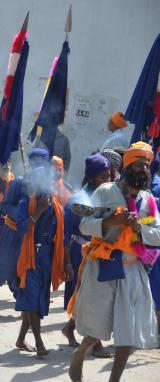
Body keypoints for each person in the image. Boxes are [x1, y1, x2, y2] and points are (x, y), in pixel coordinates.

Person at [68, 142, 159, 382]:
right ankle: (79, 354)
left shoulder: (149, 201)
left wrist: (139, 228)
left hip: (132, 271)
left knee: (128, 334)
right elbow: (84, 225)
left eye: (147, 165)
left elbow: (158, 234)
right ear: (128, 166)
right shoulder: (106, 191)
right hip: (104, 266)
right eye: (139, 164)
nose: (144, 169)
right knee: (97, 327)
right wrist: (111, 222)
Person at [11, 148, 69, 357]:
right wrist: (38, 211)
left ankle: (20, 339)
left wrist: (66, 263)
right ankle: (39, 342)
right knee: (33, 300)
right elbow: (22, 227)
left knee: (35, 300)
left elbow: (62, 238)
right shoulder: (27, 203)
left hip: (47, 259)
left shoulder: (56, 206)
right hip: (30, 258)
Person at [61, 154, 112, 358]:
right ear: (91, 178)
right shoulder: (78, 201)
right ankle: (96, 344)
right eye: (102, 177)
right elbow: (65, 237)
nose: (107, 181)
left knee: (90, 297)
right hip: (78, 254)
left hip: (99, 252)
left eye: (109, 176)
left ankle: (70, 328)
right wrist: (67, 264)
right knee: (88, 297)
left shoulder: (107, 197)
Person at [0, 151, 48, 310]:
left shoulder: (46, 187)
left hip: (31, 234)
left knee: (24, 269)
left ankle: (25, 307)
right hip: (12, 231)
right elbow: (4, 205)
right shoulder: (20, 182)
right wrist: (22, 213)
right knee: (5, 266)